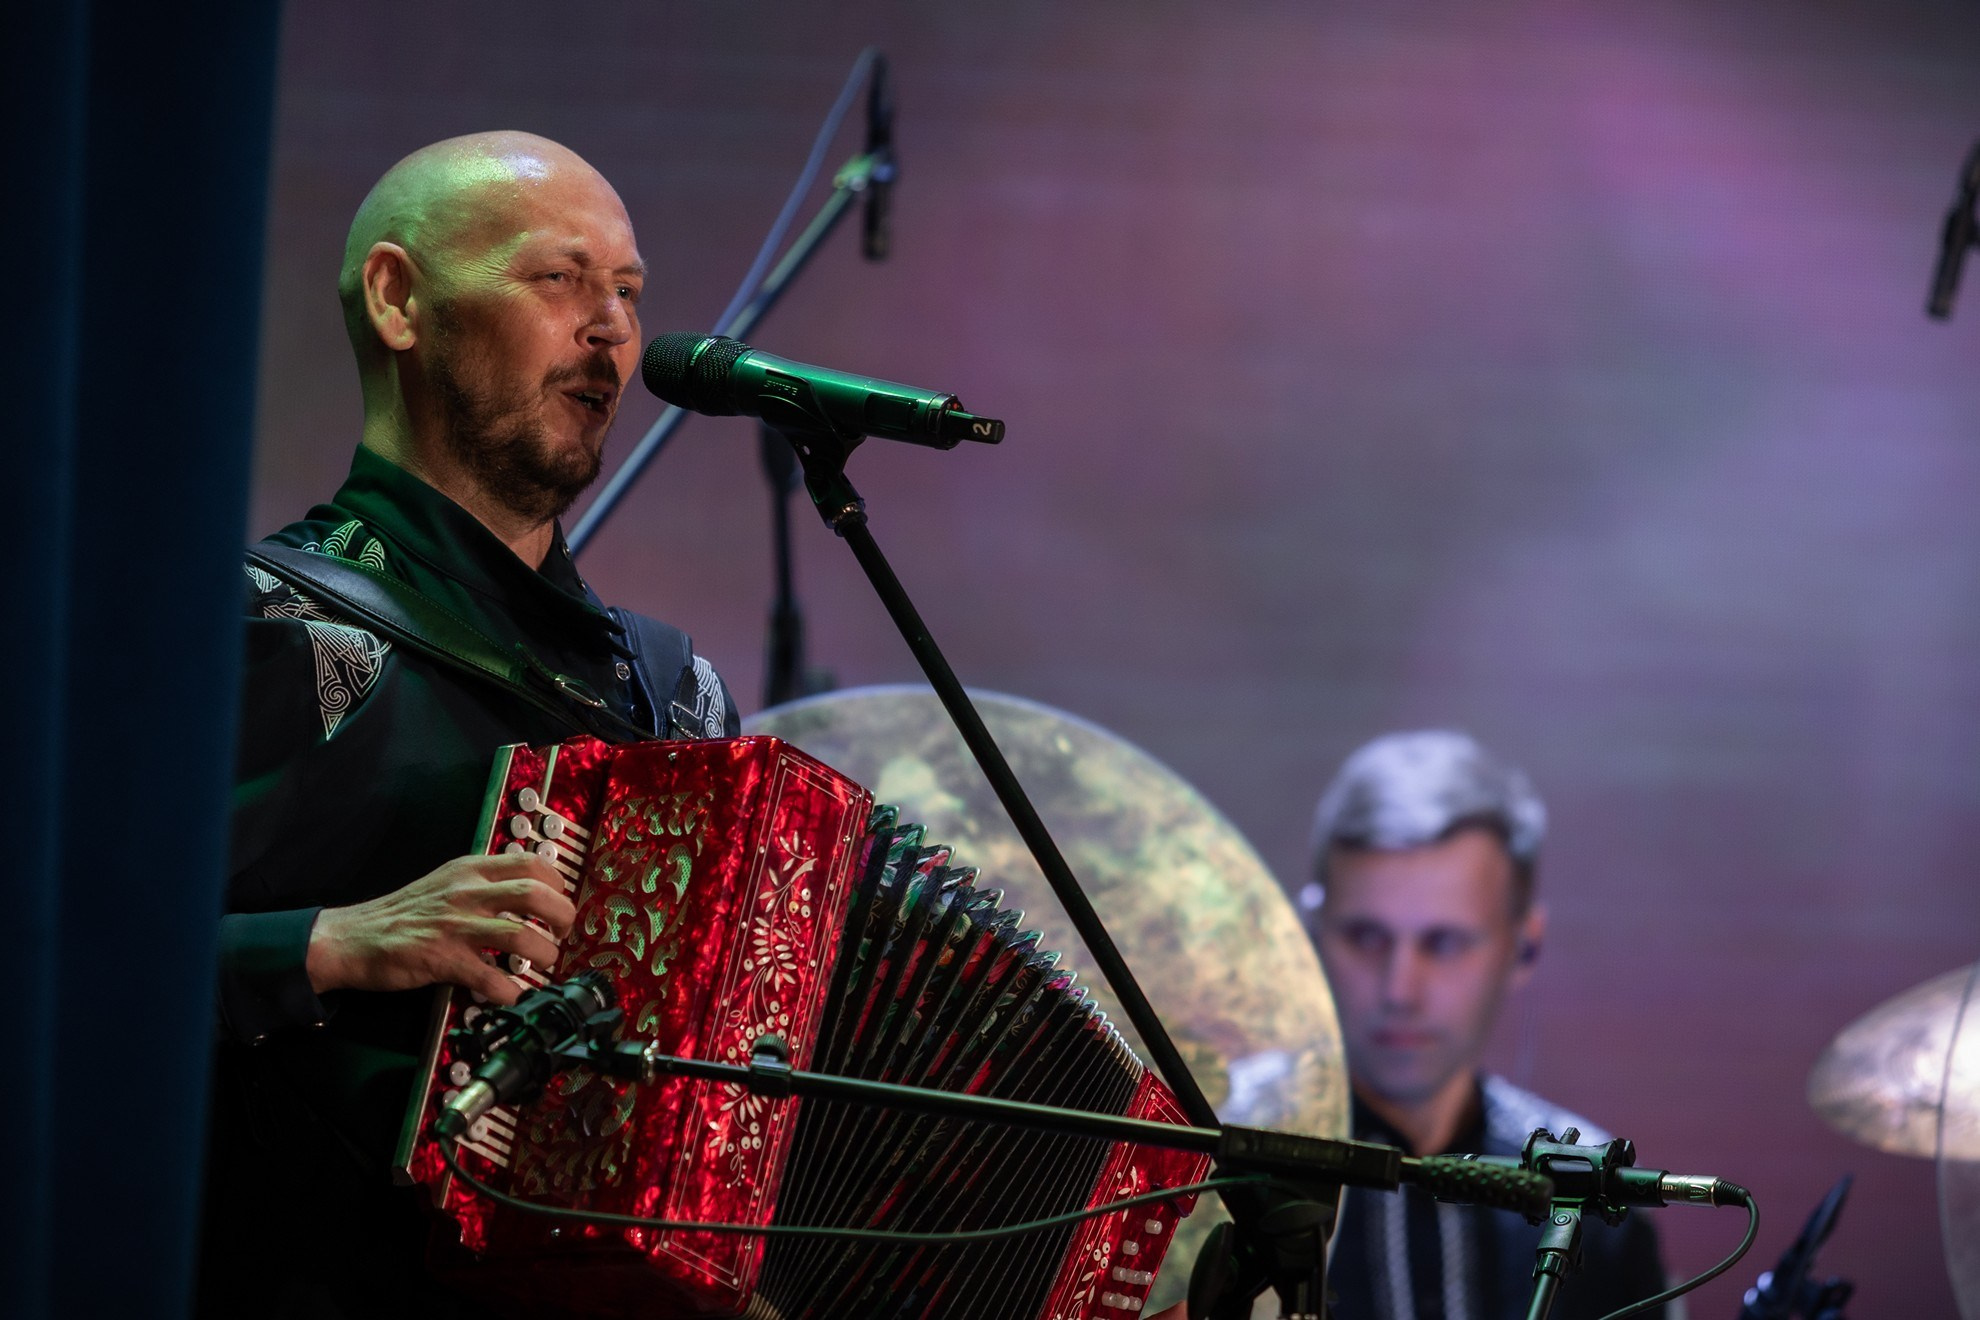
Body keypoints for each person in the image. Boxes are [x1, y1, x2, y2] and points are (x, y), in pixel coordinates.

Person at [199, 132, 738, 1319]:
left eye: (629, 292)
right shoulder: (250, 631)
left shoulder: (674, 698)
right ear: (399, 300)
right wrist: (333, 944)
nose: (612, 330)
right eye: (559, 278)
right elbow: (60, 977)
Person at [1301, 731, 1668, 1320]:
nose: (1399, 991)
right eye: (1366, 937)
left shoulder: (1593, 1202)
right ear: (1311, 934)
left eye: (1444, 943)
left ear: (1524, 947)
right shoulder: (1218, 1173)